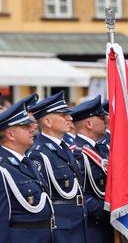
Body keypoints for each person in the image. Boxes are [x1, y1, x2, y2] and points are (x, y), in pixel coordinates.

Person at [28, 91, 87, 243]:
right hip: (62, 229)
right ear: (47, 121)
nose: (70, 118)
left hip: (79, 223)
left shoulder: (64, 147)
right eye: (63, 115)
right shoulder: (39, 154)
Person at [0, 100, 54, 243]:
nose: (32, 129)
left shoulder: (27, 162)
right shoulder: (3, 168)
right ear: (11, 134)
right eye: (25, 126)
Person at [70, 95, 114, 243]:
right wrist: (110, 209)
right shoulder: (77, 153)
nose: (106, 120)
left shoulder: (102, 149)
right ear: (89, 123)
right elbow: (80, 195)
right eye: (101, 118)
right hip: (92, 227)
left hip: (109, 224)